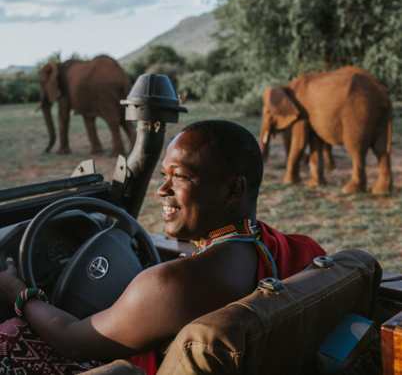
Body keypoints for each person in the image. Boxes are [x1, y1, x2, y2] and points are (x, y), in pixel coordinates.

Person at [0, 120, 325, 375]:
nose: (161, 190)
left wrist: (19, 291)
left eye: (181, 176)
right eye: (163, 175)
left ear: (233, 190)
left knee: (12, 332)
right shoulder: (295, 249)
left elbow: (71, 338)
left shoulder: (170, 285)